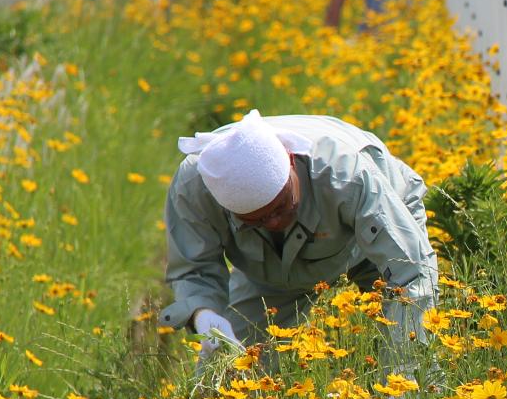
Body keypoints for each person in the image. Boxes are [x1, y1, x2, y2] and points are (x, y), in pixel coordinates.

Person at [158, 111, 437, 362]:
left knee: (408, 370)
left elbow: (410, 273)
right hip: (273, 271)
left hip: (373, 241)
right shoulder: (194, 188)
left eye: (281, 206)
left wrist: (405, 367)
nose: (275, 222)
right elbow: (193, 270)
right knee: (231, 371)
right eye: (256, 221)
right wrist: (204, 315)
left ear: (290, 160)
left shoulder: (344, 175)